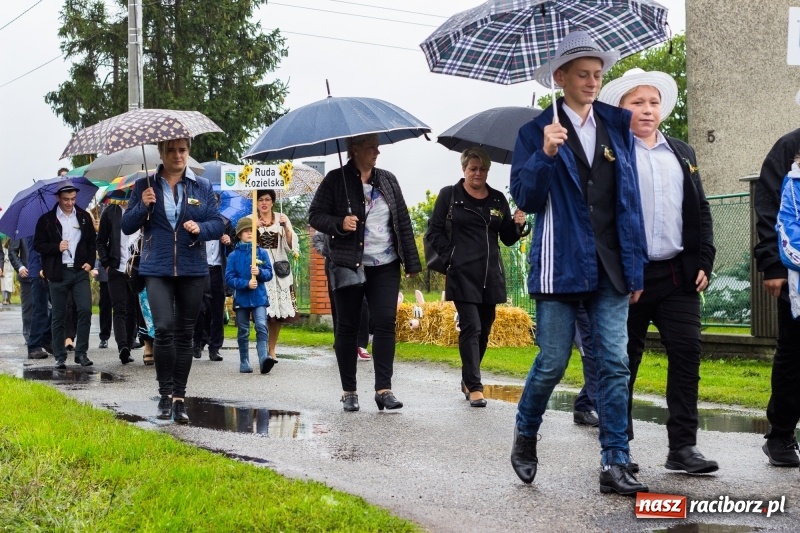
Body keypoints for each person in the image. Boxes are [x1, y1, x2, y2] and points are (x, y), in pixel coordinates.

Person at [508, 31, 649, 495]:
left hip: (610, 263)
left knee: (613, 362)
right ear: (560, 77)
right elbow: (526, 198)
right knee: (552, 361)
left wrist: (635, 267)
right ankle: (526, 432)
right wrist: (546, 154)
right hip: (560, 262)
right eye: (583, 75)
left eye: (597, 75)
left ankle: (615, 461)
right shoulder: (534, 132)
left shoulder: (617, 123)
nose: (592, 82)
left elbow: (629, 199)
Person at [598, 68, 718, 474]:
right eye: (637, 103)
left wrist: (704, 260)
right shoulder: (611, 153)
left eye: (653, 103)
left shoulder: (682, 152)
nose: (647, 110)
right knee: (622, 361)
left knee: (687, 353)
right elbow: (601, 218)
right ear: (621, 108)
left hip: (676, 276)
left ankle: (683, 447)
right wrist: (619, 271)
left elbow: (699, 210)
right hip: (626, 278)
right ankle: (619, 449)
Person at [309, 133, 422, 412]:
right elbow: (315, 216)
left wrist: (411, 262)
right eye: (372, 147)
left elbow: (402, 220)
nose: (377, 152)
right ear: (355, 149)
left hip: (385, 263)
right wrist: (339, 222)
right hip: (348, 264)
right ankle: (349, 391)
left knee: (385, 321)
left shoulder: (387, 179)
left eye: (378, 147)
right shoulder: (336, 180)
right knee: (347, 327)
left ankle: (384, 389)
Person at [121, 138, 223, 424]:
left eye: (182, 150)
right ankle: (164, 394)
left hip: (192, 269)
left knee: (185, 335)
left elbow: (217, 224)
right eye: (171, 150)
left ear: (188, 152)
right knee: (163, 329)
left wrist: (199, 228)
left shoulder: (201, 186)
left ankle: (179, 397)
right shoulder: (145, 186)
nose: (177, 156)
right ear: (161, 153)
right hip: (157, 267)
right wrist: (142, 206)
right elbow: (127, 224)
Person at [426, 146, 526, 408]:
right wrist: (451, 257)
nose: (477, 173)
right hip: (461, 274)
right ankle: (475, 386)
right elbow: (433, 232)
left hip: (490, 274)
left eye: (482, 169)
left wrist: (517, 225)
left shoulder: (497, 199)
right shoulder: (450, 195)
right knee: (471, 327)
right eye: (473, 168)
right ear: (464, 169)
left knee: (485, 330)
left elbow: (506, 238)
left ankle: (468, 379)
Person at [754, 127, 800, 467]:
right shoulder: (790, 147)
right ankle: (781, 434)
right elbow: (769, 205)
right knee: (795, 352)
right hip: (796, 268)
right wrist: (772, 264)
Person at [33, 180, 96, 370]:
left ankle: (81, 353)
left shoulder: (84, 217)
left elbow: (92, 242)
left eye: (73, 199)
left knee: (85, 309)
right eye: (66, 199)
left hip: (78, 271)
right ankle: (60, 356)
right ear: (58, 198)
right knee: (58, 315)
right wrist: (56, 247)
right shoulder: (46, 220)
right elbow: (38, 245)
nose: (70, 203)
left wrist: (90, 262)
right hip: (57, 272)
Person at [312, 230, 372, 361]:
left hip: (356, 262)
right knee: (337, 304)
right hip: (334, 264)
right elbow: (317, 238)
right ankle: (340, 342)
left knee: (363, 302)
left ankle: (361, 345)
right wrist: (327, 251)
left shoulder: (359, 215)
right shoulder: (330, 215)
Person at [254, 189, 299, 363]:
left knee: (276, 316)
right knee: (262, 315)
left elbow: (290, 247)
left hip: (279, 273)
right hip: (260, 272)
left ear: (273, 202)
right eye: (261, 200)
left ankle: (272, 349)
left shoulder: (282, 217)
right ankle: (262, 349)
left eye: (267, 199)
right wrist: (255, 229)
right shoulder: (251, 220)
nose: (264, 203)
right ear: (257, 203)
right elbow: (243, 243)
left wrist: (286, 228)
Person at [225, 216, 273, 373]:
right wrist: (245, 283)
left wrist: (259, 273)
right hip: (242, 298)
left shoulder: (261, 253)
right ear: (239, 235)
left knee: (261, 325)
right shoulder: (233, 256)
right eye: (246, 231)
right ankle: (244, 361)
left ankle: (263, 358)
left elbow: (269, 274)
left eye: (252, 231)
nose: (249, 234)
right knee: (243, 330)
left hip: (259, 297)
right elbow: (229, 278)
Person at [97, 200, 139, 364]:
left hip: (136, 269)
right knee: (119, 308)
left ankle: (129, 343)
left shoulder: (141, 210)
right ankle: (123, 347)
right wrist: (106, 264)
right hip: (116, 268)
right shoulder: (110, 212)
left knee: (132, 309)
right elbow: (100, 240)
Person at [193, 193, 233, 362]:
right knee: (198, 309)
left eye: (215, 202)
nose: (212, 205)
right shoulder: (195, 222)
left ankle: (215, 347)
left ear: (218, 204)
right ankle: (197, 343)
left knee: (217, 310)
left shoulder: (225, 223)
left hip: (217, 269)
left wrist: (229, 242)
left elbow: (234, 249)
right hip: (199, 269)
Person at [22, 236, 52, 359]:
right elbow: (38, 247)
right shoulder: (36, 223)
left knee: (60, 307)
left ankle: (46, 336)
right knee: (40, 309)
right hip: (38, 271)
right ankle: (34, 345)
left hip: (50, 270)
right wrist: (42, 267)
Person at [8, 238, 32, 345]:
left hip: (46, 275)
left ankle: (47, 336)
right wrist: (20, 267)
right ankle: (29, 336)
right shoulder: (20, 231)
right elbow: (12, 251)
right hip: (27, 275)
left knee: (48, 307)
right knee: (28, 307)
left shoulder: (47, 225)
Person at [1, 238, 14, 305]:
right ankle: (4, 299)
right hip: (5, 267)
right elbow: (2, 258)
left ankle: (8, 298)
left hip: (10, 268)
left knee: (10, 284)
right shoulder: (3, 249)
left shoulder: (11, 249)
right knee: (4, 285)